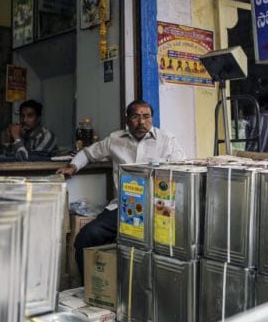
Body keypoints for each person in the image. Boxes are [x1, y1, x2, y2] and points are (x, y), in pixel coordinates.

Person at [56, 100, 185, 275]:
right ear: (127, 120)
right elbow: (87, 153)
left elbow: (183, 168)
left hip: (157, 208)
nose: (141, 122)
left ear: (152, 119)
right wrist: (73, 167)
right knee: (88, 236)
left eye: (146, 117)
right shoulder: (115, 140)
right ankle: (91, 288)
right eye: (135, 117)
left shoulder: (167, 141)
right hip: (123, 207)